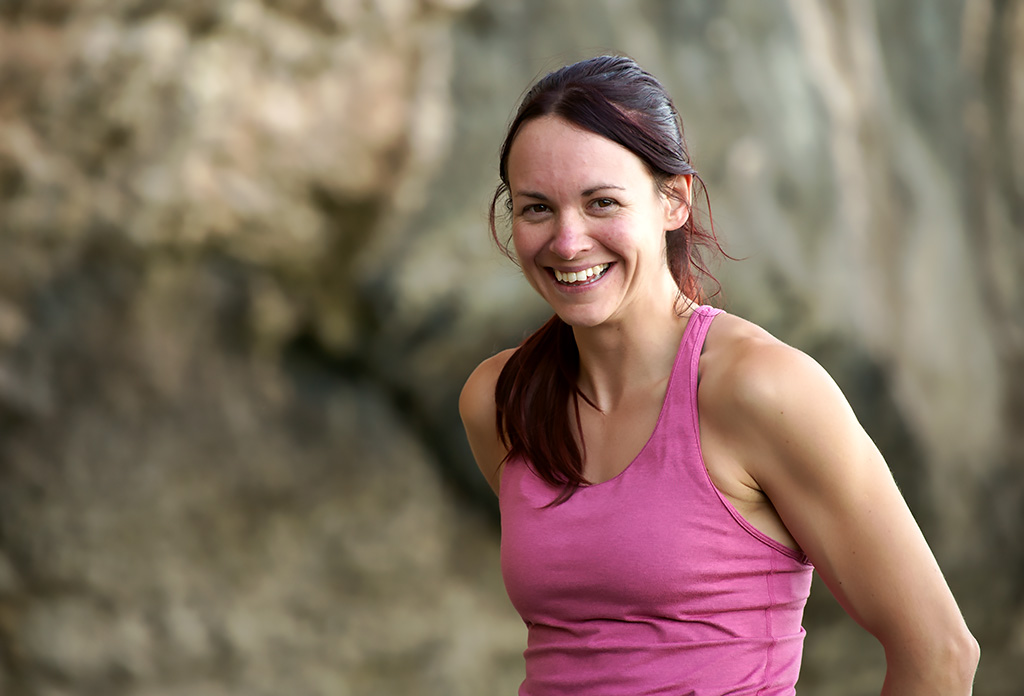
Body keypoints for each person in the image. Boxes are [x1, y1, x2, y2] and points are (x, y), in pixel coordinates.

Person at [459, 55, 978, 696]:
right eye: (537, 209)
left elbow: (941, 654)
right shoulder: (499, 401)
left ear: (672, 201)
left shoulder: (759, 388)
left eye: (602, 203)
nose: (568, 242)